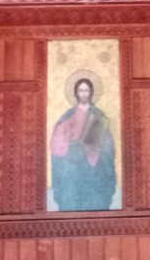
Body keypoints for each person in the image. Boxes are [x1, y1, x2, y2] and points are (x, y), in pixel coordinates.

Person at [49, 74, 116, 211]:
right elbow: (58, 137)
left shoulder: (98, 115)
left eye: (86, 90)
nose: (84, 94)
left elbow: (107, 142)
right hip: (72, 159)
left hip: (94, 160)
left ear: (91, 92)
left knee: (94, 192)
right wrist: (68, 145)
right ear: (76, 93)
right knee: (72, 191)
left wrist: (102, 147)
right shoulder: (68, 115)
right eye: (81, 90)